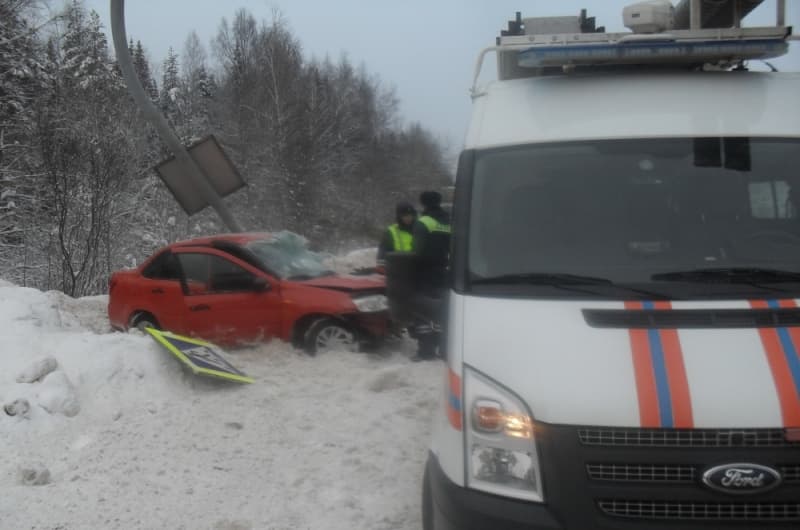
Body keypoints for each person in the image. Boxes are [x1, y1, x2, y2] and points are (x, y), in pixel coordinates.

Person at [409, 190, 451, 361]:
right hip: (445, 272)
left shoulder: (423, 223)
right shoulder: (448, 221)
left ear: (423, 203)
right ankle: (444, 348)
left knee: (423, 313)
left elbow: (416, 252)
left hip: (425, 274)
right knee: (442, 311)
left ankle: (426, 351)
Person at [377, 201, 417, 268]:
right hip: (398, 269)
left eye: (410, 215)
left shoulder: (420, 229)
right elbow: (383, 251)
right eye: (404, 215)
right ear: (399, 216)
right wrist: (382, 266)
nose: (408, 218)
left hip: (417, 268)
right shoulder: (391, 232)